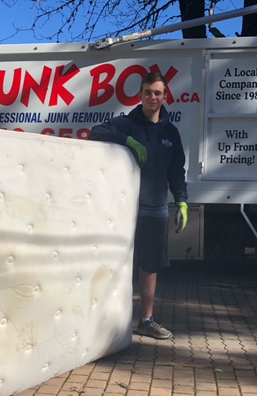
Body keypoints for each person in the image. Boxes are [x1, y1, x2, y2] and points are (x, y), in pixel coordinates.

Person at [88, 71, 188, 340]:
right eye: (147, 92)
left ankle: (146, 320)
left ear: (165, 97)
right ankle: (107, 320)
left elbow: (177, 170)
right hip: (123, 210)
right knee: (116, 263)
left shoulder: (171, 132)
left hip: (155, 209)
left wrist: (181, 201)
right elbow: (95, 133)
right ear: (140, 95)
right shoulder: (126, 124)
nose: (152, 97)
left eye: (157, 93)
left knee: (150, 266)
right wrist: (127, 141)